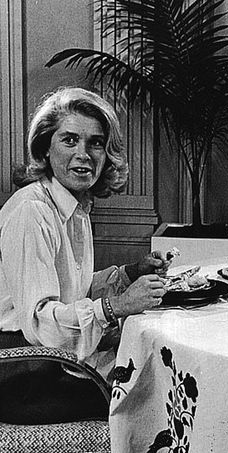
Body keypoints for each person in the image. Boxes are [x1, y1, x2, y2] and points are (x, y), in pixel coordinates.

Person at [0, 87, 168, 424]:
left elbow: (69, 290)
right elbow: (41, 324)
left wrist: (129, 273)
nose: (84, 154)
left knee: (157, 372)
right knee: (155, 392)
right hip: (23, 374)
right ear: (45, 149)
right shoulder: (32, 211)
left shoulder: (73, 206)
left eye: (95, 143)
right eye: (69, 140)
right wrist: (117, 306)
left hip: (50, 362)